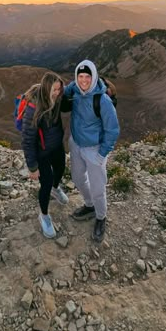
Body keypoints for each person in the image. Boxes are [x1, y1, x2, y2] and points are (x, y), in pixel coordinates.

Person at [63, 59, 120, 242]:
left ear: (94, 77)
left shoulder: (102, 99)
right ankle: (90, 206)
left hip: (95, 148)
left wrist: (102, 154)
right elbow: (62, 95)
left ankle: (101, 217)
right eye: (80, 76)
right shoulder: (75, 91)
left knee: (98, 187)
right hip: (76, 144)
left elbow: (113, 129)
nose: (84, 80)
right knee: (78, 179)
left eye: (88, 76)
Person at [21, 72, 69, 238]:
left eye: (59, 89)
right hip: (41, 152)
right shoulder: (34, 108)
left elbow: (68, 100)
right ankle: (44, 216)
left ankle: (56, 190)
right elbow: (27, 140)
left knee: (61, 168)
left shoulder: (57, 98)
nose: (58, 93)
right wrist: (33, 167)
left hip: (56, 146)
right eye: (55, 90)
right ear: (47, 89)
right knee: (46, 182)